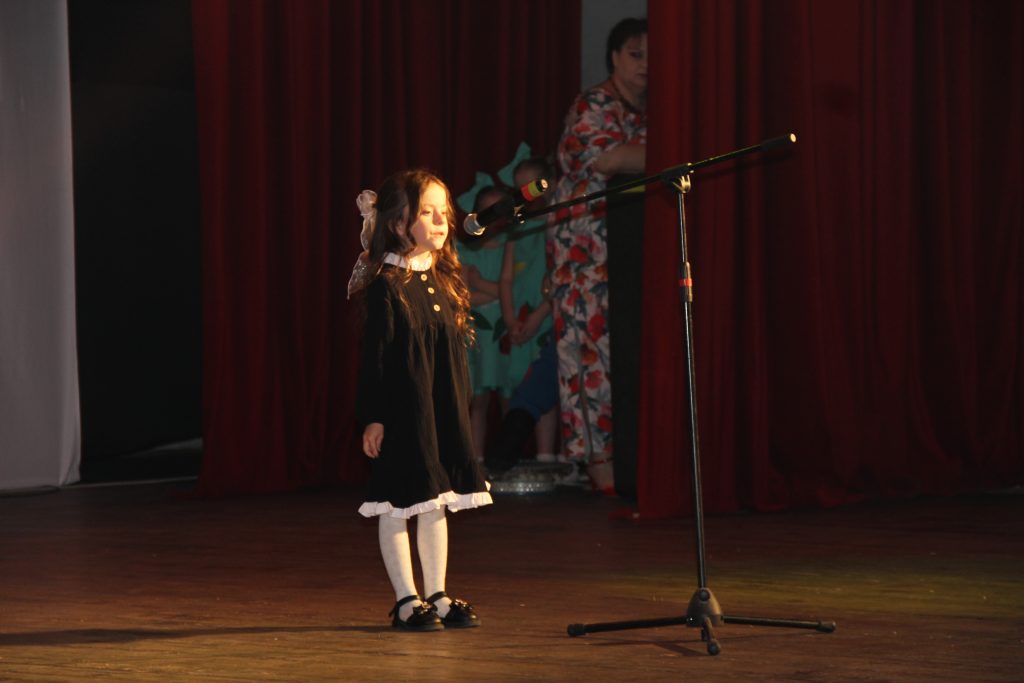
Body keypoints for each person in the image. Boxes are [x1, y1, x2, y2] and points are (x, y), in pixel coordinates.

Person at [349, 169, 492, 632]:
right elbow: (375, 359)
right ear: (397, 223)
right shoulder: (386, 284)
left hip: (439, 412)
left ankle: (437, 594)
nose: (440, 222)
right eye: (426, 213)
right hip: (402, 414)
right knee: (397, 503)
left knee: (435, 501)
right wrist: (374, 417)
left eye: (442, 213)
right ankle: (407, 599)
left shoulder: (442, 279)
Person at [549, 18, 648, 495]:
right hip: (584, 254)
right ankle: (600, 467)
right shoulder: (592, 105)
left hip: (629, 253)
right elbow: (609, 160)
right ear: (614, 57)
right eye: (636, 54)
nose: (645, 65)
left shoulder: (650, 111)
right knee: (587, 357)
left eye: (652, 57)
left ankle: (629, 462)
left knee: (624, 355)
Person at [496, 145, 558, 462]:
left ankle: (546, 455)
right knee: (515, 381)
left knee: (543, 381)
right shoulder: (516, 228)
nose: (526, 195)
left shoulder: (557, 223)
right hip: (519, 318)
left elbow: (561, 276)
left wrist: (539, 315)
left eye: (533, 187)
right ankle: (512, 452)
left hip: (545, 316)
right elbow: (506, 278)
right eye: (520, 189)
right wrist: (510, 319)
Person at [455, 176, 513, 465]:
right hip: (477, 334)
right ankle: (475, 460)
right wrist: (497, 291)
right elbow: (462, 295)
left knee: (509, 395)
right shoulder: (464, 250)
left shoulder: (513, 246)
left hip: (506, 334)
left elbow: (515, 290)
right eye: (488, 212)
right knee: (477, 399)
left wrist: (482, 285)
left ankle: (507, 457)